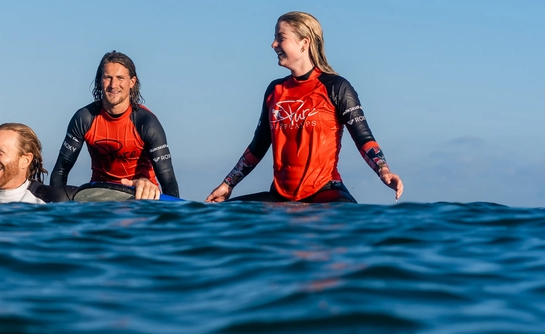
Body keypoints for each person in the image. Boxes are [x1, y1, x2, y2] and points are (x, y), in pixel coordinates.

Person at [205, 12, 404, 204]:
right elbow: (258, 146)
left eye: (280, 38)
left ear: (304, 42)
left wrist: (383, 170)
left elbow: (364, 138)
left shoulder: (336, 87)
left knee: (351, 223)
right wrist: (228, 184)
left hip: (325, 194)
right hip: (280, 197)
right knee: (219, 215)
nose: (273, 44)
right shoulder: (275, 90)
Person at [50, 51, 180, 200]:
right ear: (100, 80)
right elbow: (60, 172)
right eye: (108, 78)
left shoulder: (147, 122)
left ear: (132, 82)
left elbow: (168, 181)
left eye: (120, 78)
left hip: (142, 198)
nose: (113, 85)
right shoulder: (84, 118)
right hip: (100, 197)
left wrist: (173, 218)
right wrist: (56, 216)